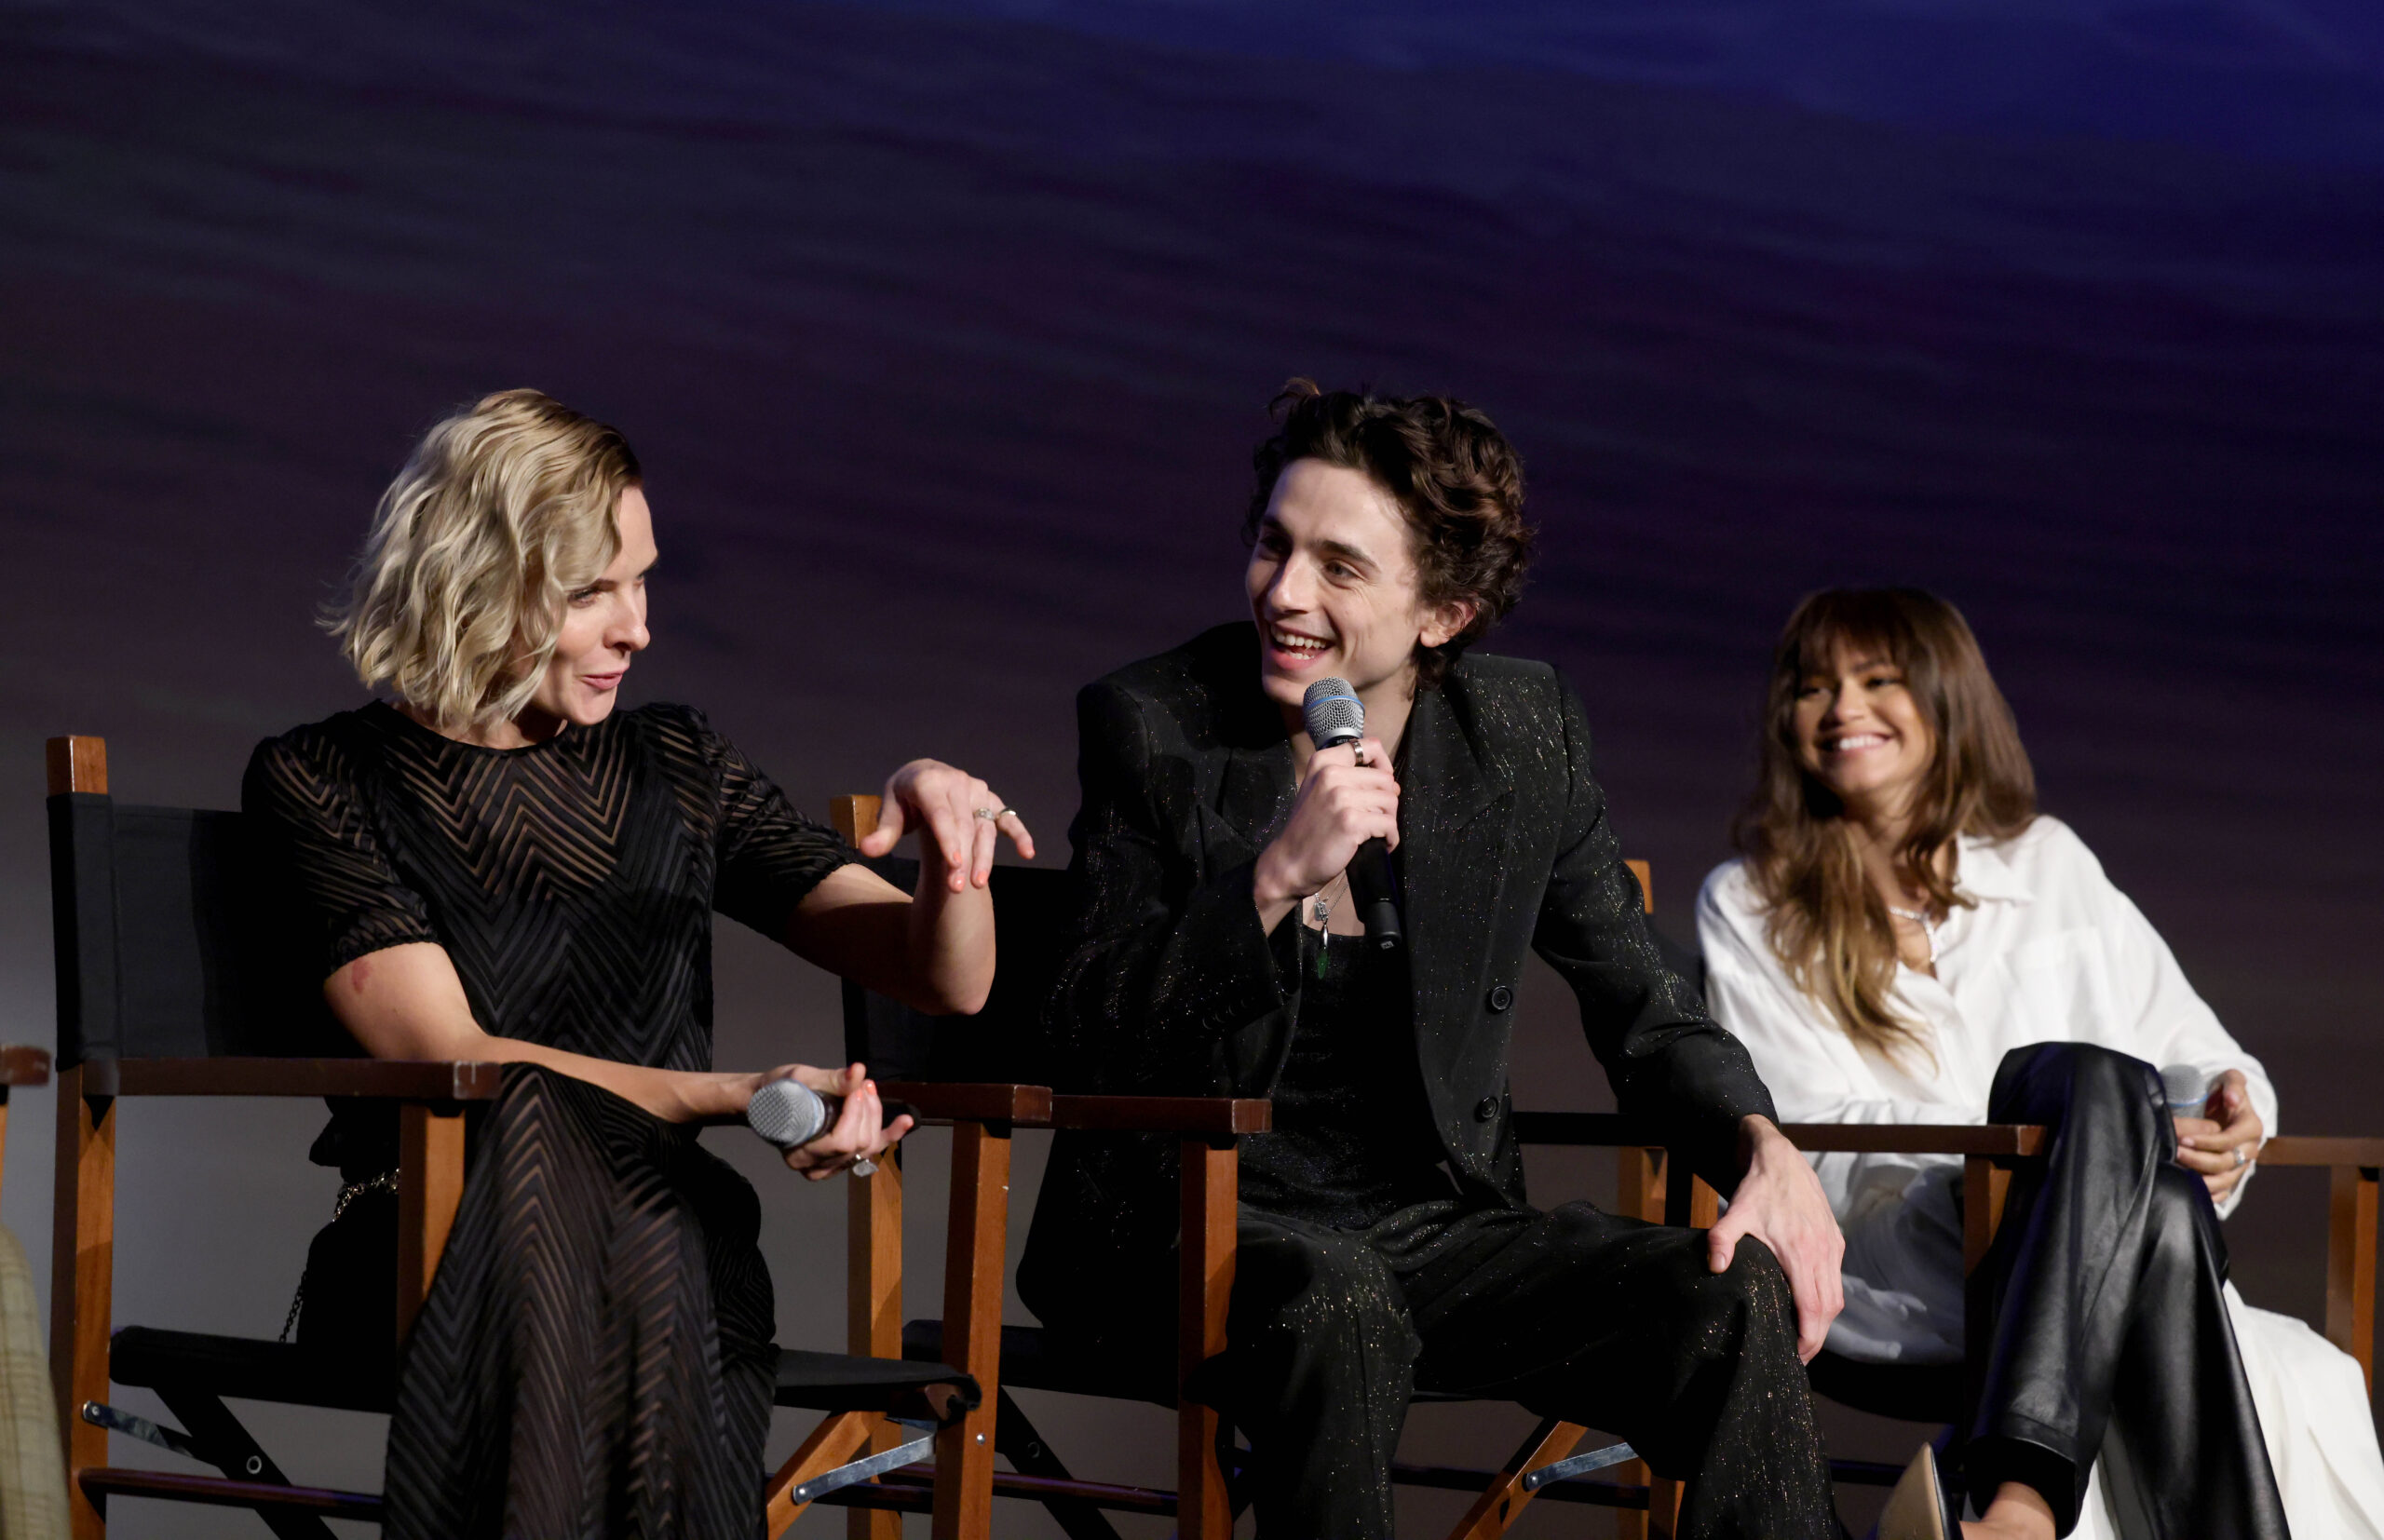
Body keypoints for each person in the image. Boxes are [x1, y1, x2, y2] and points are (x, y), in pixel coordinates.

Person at [1016, 381, 1847, 1538]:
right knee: (1339, 1301)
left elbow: (1643, 998)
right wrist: (1268, 880)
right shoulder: (1155, 721)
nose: (1284, 592)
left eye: (1339, 568)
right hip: (1184, 1228)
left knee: (1727, 1295)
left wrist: (1765, 1147)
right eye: (1273, 545)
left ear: (1443, 614)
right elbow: (1080, 1026)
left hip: (1428, 1228)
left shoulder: (1520, 735)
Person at [244, 389, 1033, 1538]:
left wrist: (954, 860)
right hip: (428, 1241)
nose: (637, 628)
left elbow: (942, 980)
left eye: (642, 581)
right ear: (474, 577)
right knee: (559, 1168)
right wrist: (734, 1095)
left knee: (649, 1239)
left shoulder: (676, 762)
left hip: (663, 1228)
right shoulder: (321, 777)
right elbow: (452, 1054)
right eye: (589, 592)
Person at [1698, 587, 2384, 1540]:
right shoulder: (1752, 901)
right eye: (1814, 688)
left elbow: (2199, 1053)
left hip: (2098, 1231)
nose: (1843, 706)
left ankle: (2019, 1507)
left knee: (2133, 1150)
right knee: (2087, 1096)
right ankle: (2019, 1502)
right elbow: (1802, 1127)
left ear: (1945, 698)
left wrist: (2236, 1109)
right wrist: (2032, 1145)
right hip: (1908, 1244)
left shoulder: (2045, 862)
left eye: (1877, 679)